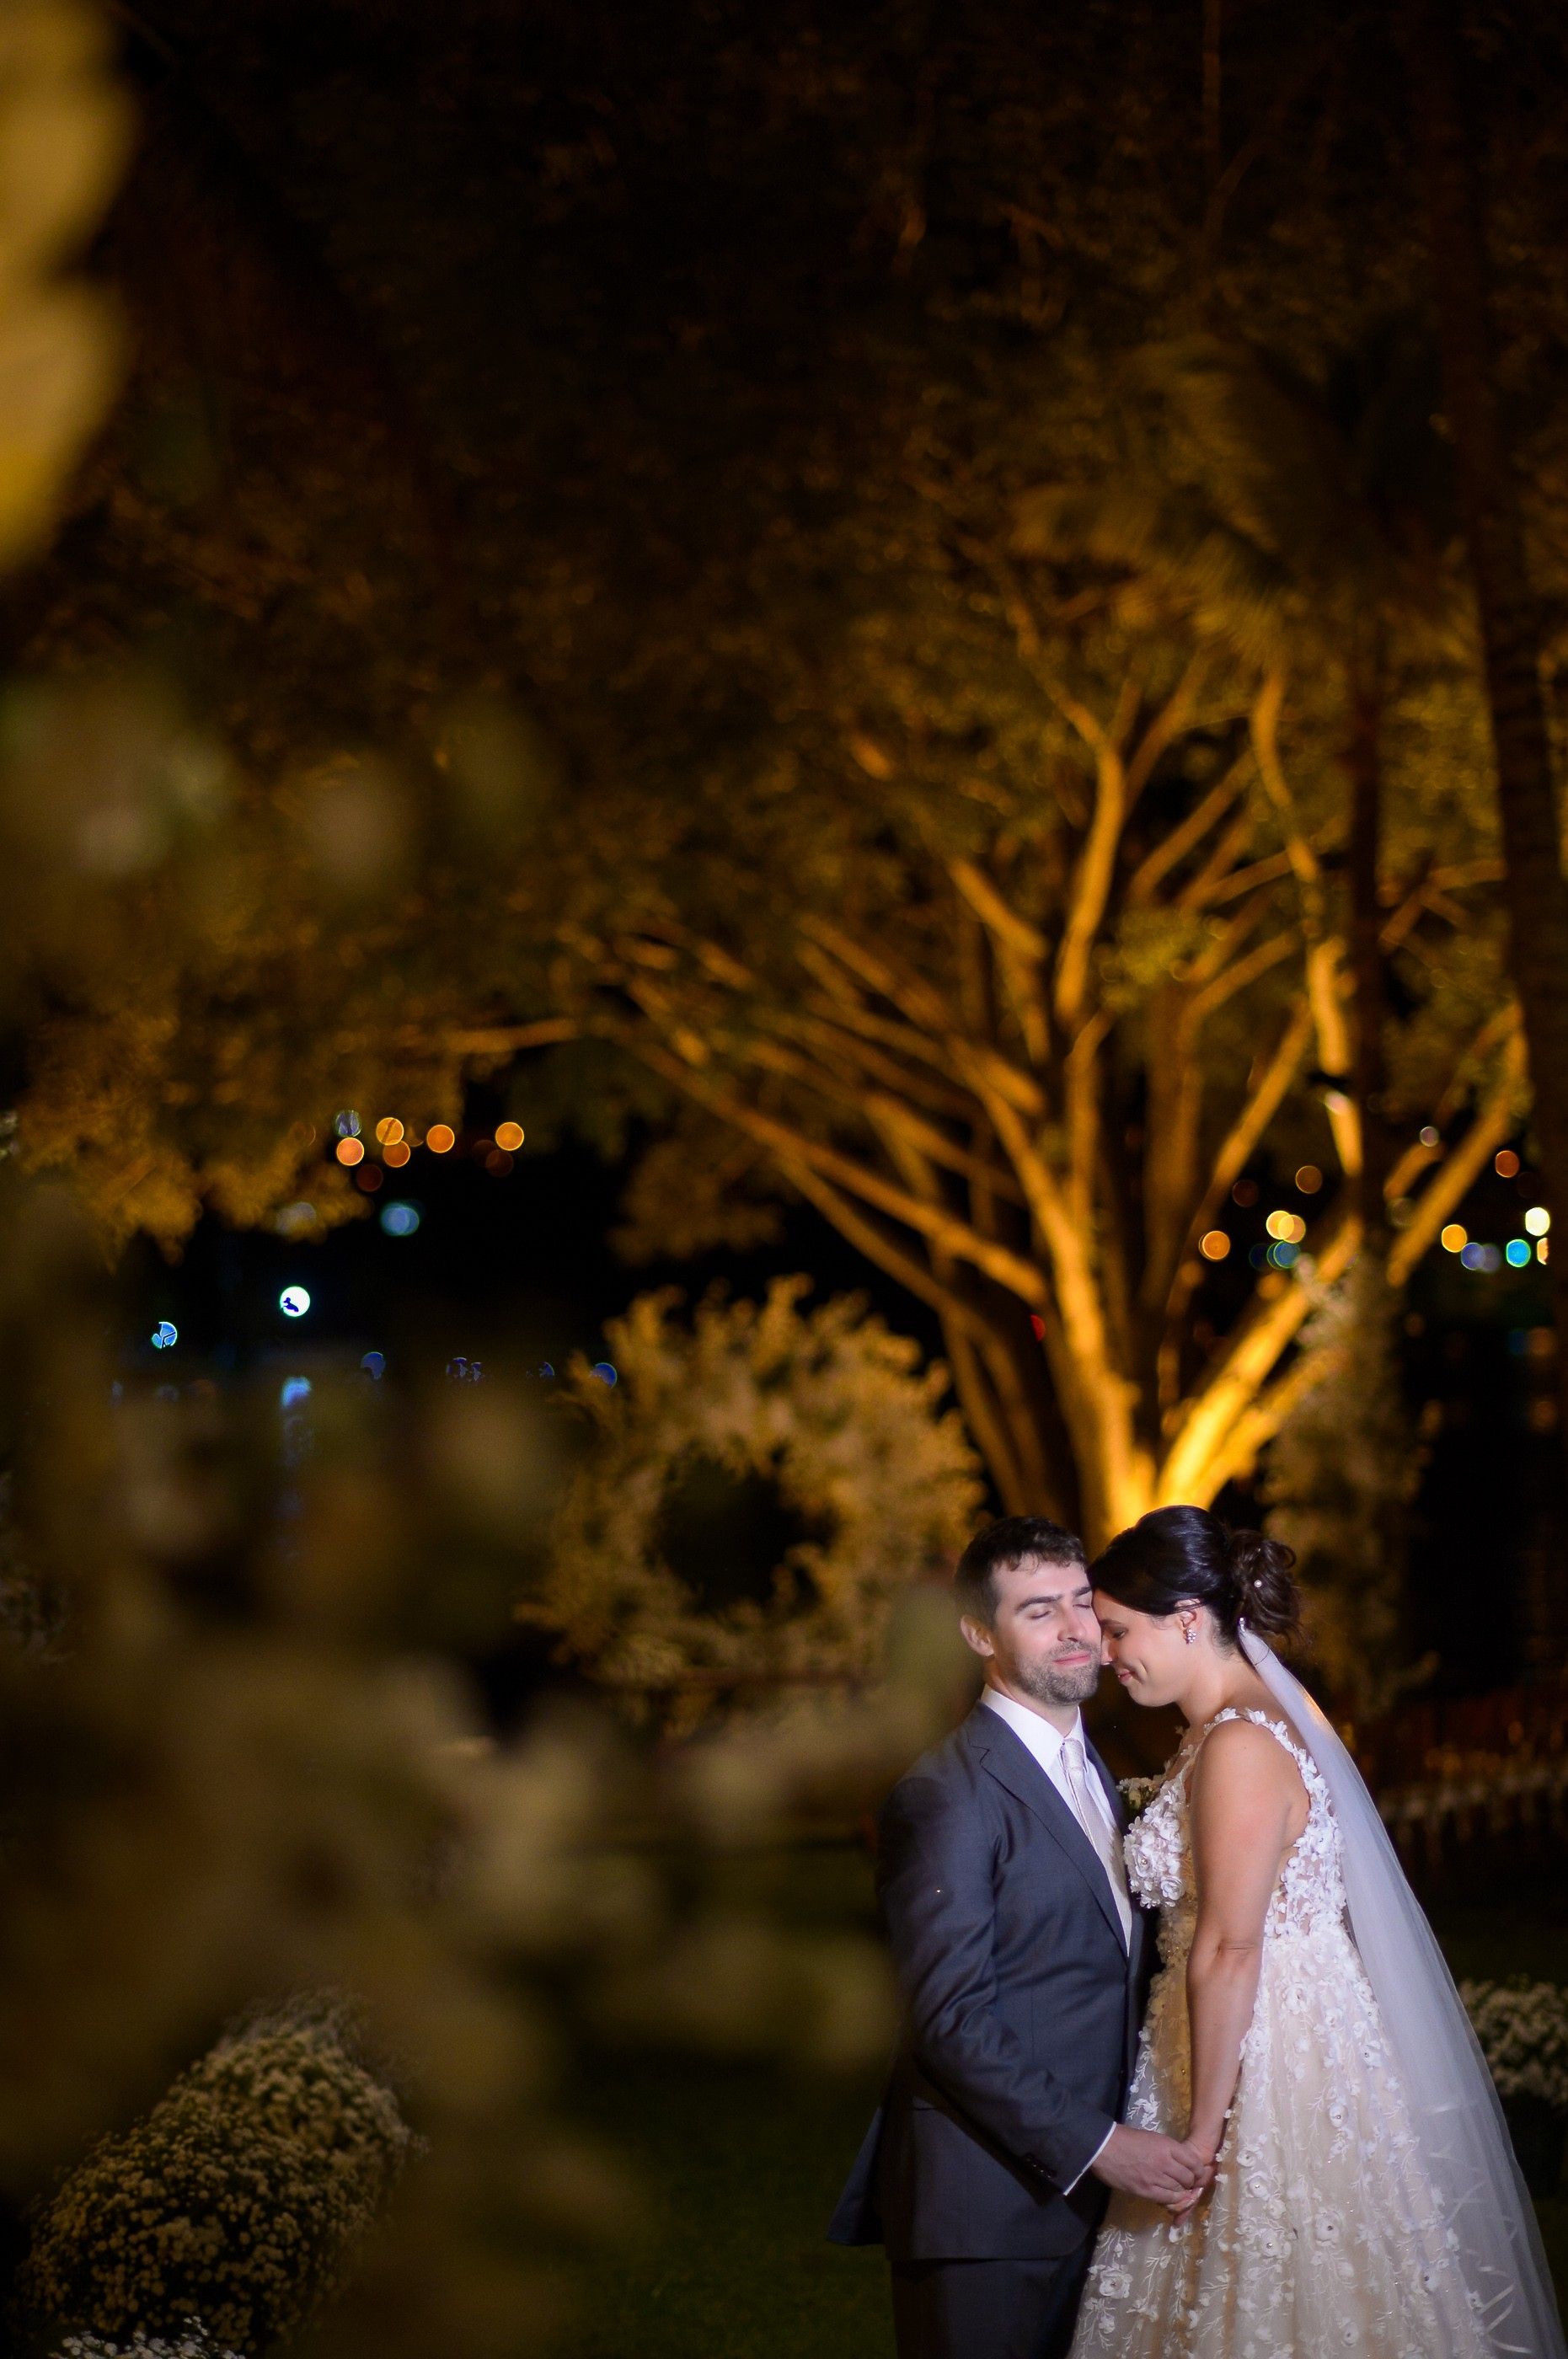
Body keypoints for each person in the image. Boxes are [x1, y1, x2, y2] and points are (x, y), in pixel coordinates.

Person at [1071, 1503, 1568, 2359]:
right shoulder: (1226, 1729)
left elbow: (1230, 1945)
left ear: (1187, 1619)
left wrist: (1202, 2131)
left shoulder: (1237, 1744)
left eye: (1118, 1631)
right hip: (1224, 2036)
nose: (1107, 1654)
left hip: (1264, 2061)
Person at [828, 1516, 1209, 2359]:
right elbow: (949, 2021)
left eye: (1081, 1602)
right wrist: (1105, 2148)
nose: (1077, 1630)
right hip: (988, 2213)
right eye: (1039, 1611)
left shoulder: (1095, 1769)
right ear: (977, 1632)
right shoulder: (947, 1794)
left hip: (1094, 2210)